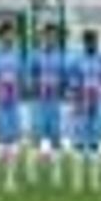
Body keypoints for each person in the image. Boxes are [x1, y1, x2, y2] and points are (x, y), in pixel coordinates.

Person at [26, 23, 67, 189]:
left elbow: (64, 79)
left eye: (53, 36)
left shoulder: (60, 57)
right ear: (42, 37)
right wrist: (36, 86)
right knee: (36, 139)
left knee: (55, 139)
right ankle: (32, 175)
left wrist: (61, 87)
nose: (50, 39)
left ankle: (56, 176)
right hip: (39, 103)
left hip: (54, 104)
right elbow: (29, 79)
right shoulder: (35, 56)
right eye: (47, 36)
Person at [68, 30, 101, 193]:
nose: (91, 44)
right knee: (78, 143)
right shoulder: (77, 61)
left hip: (97, 107)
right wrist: (76, 104)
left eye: (93, 41)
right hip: (81, 107)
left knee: (95, 144)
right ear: (84, 43)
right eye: (88, 41)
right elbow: (73, 85)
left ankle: (94, 180)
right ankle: (77, 181)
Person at [0, 21, 24, 194]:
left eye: (12, 34)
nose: (11, 37)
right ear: (1, 36)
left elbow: (19, 77)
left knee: (13, 143)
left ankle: (10, 180)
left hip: (13, 105)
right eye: (8, 34)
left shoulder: (17, 54)